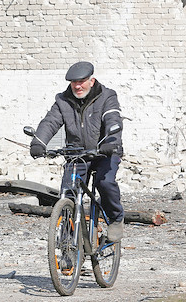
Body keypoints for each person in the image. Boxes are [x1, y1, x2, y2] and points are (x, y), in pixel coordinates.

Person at [30, 61, 124, 242]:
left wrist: (111, 142)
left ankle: (115, 218)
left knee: (105, 184)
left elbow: (113, 119)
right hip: (77, 154)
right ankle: (67, 246)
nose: (77, 86)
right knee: (67, 194)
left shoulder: (107, 96)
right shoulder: (63, 100)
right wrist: (38, 142)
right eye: (74, 82)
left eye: (82, 81)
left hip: (104, 151)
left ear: (92, 80)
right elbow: (50, 122)